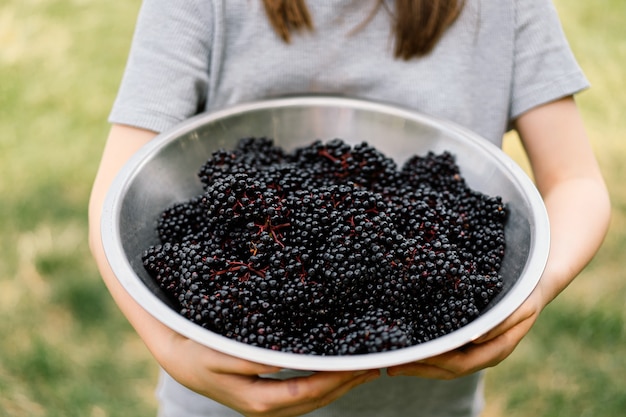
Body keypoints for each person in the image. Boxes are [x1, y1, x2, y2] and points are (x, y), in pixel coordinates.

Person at [88, 1, 611, 416]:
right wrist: (170, 349)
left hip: (426, 408)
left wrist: (536, 287)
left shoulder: (507, 9)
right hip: (222, 402)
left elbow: (575, 181)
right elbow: (116, 200)